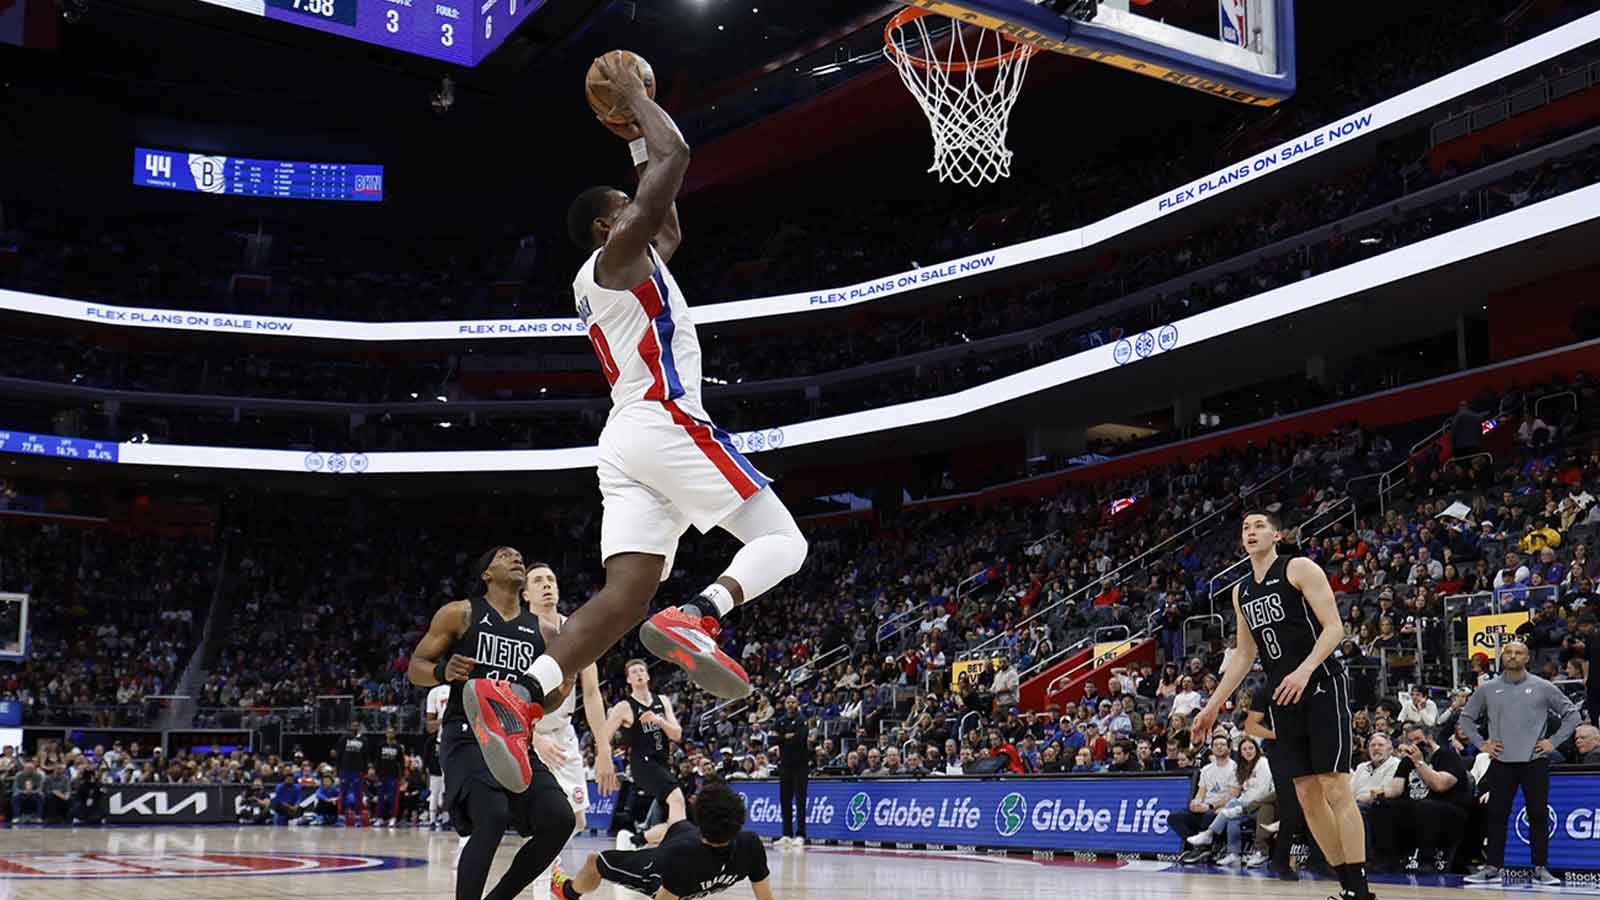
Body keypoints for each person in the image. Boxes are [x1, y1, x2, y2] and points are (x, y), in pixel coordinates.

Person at [513, 50, 808, 719]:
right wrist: (635, 104)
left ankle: (522, 694)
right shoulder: (614, 257)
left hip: (626, 441)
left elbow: (667, 215)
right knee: (786, 543)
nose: (644, 208)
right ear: (604, 226)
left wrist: (635, 139)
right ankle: (699, 616)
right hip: (662, 416)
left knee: (624, 596)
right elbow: (677, 161)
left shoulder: (623, 266)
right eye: (629, 205)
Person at [1192, 510, 1371, 900]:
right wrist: (1210, 708)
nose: (1251, 532)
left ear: (1276, 534)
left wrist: (1305, 669)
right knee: (1306, 795)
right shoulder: (1242, 591)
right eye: (1245, 528)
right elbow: (1243, 657)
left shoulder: (1299, 567)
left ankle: (1360, 889)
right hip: (1282, 696)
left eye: (1259, 526)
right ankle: (1346, 886)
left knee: (1335, 787)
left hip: (1321, 684)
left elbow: (1335, 627)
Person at [405, 546, 578, 900]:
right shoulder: (460, 614)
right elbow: (415, 667)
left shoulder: (542, 632)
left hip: (516, 740)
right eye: (505, 555)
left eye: (519, 556)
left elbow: (542, 705)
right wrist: (442, 670)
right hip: (468, 737)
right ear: (487, 574)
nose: (517, 558)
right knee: (493, 815)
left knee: (560, 819)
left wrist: (564, 688)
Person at [523, 562, 614, 898]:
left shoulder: (576, 630)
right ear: (525, 593)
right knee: (551, 820)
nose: (546, 585)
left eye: (550, 579)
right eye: (537, 581)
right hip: (524, 733)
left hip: (563, 733)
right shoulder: (518, 631)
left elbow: (591, 694)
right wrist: (533, 737)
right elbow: (501, 694)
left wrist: (604, 749)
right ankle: (543, 889)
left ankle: (549, 868)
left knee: (576, 819)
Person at [1460, 640, 1579, 885]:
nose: (1513, 656)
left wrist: (1552, 742)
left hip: (1534, 760)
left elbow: (1572, 715)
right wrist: (1483, 745)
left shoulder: (1543, 687)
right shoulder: (1488, 688)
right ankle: (1493, 867)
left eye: (1519, 653)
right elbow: (1466, 718)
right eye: (1509, 653)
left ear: (1527, 658)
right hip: (1502, 761)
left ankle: (1540, 868)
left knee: (1537, 814)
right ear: (1502, 658)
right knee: (1496, 814)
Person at [559, 781, 774, 900]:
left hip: (671, 857)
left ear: (700, 821)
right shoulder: (752, 844)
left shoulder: (685, 858)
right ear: (740, 820)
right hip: (670, 855)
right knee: (676, 822)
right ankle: (567, 893)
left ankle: (569, 892)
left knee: (595, 861)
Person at [601, 658, 684, 848]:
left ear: (647, 675)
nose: (638, 674)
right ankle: (640, 841)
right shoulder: (624, 707)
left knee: (679, 820)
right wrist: (607, 765)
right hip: (642, 764)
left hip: (662, 764)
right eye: (634, 672)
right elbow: (604, 737)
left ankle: (634, 841)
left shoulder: (662, 701)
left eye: (641, 670)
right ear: (628, 680)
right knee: (677, 798)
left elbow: (677, 734)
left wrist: (659, 721)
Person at [1372, 723, 1473, 874]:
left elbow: (1439, 785)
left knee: (1425, 807)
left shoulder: (1448, 756)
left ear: (1430, 738)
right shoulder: (1408, 760)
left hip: (1449, 810)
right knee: (1382, 805)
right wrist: (1381, 792)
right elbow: (1396, 787)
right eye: (1410, 741)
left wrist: (1419, 763)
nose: (1415, 745)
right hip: (1417, 808)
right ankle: (1386, 860)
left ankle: (1427, 861)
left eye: (1418, 739)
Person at [1187, 737, 1274, 867]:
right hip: (1247, 806)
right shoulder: (1244, 767)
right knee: (1232, 816)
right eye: (1244, 749)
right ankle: (1233, 854)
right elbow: (1246, 792)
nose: (1248, 751)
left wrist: (1242, 804)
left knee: (1232, 805)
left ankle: (1209, 834)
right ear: (1240, 752)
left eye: (1251, 748)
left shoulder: (1262, 763)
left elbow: (1263, 791)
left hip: (1261, 806)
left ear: (1257, 749)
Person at [1173, 735, 1238, 857]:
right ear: (1212, 748)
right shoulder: (1206, 769)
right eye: (1216, 745)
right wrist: (1195, 803)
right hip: (1205, 807)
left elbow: (1233, 795)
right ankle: (1197, 847)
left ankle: (1205, 848)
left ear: (1229, 748)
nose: (1219, 747)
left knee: (1208, 815)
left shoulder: (1234, 768)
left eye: (1222, 744)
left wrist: (1210, 805)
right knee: (1175, 817)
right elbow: (1201, 792)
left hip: (1221, 808)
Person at [771, 693, 811, 849]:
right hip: (785, 766)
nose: (790, 705)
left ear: (797, 704)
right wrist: (785, 737)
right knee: (785, 801)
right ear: (784, 704)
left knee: (800, 801)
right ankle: (786, 834)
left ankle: (801, 835)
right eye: (788, 702)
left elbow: (800, 738)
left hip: (800, 766)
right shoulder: (780, 721)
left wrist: (783, 737)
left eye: (793, 702)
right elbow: (771, 740)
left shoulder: (803, 720)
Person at [424, 676, 452, 831]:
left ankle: (447, 818)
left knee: (449, 788)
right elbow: (429, 727)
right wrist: (442, 720)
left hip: (456, 743)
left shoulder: (461, 689)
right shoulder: (434, 693)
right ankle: (433, 819)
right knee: (435, 789)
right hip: (441, 744)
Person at [337, 722, 371, 828]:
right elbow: (340, 753)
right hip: (345, 770)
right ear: (350, 727)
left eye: (357, 726)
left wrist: (365, 771)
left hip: (358, 771)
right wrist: (338, 768)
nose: (354, 728)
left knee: (358, 794)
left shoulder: (364, 740)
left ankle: (357, 817)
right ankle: (341, 816)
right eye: (353, 726)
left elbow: (366, 756)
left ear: (359, 728)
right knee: (343, 793)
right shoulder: (344, 738)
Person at [375, 730, 404, 827]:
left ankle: (393, 818)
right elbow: (377, 761)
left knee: (393, 799)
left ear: (394, 734)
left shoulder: (398, 747)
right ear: (386, 734)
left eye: (392, 732)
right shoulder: (380, 746)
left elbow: (401, 763)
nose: (390, 734)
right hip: (382, 776)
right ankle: (380, 818)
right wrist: (376, 776)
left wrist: (402, 777)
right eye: (388, 732)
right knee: (381, 798)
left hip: (393, 776)